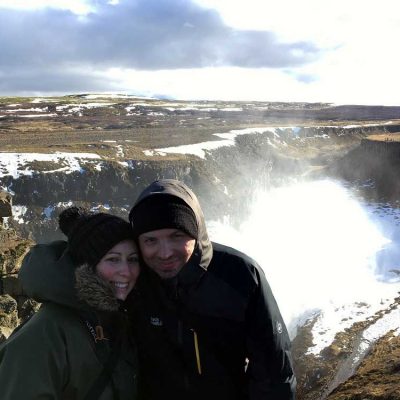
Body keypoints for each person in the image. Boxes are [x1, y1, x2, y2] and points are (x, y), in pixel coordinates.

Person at [128, 179, 296, 400]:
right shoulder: (131, 278)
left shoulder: (240, 275)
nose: (165, 253)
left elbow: (274, 372)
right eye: (151, 240)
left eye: (176, 236)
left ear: (195, 233)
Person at [0, 207, 140, 400]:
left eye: (133, 259)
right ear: (86, 265)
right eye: (113, 259)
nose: (126, 271)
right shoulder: (45, 334)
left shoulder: (115, 318)